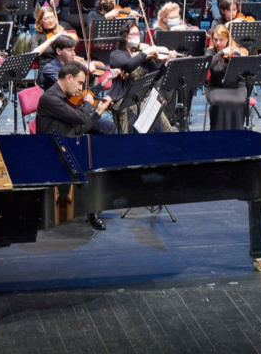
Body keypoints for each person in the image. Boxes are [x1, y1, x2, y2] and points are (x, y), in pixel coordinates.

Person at [35, 60, 114, 230]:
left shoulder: (64, 98)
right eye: (79, 83)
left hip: (66, 141)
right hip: (52, 149)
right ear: (69, 78)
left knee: (101, 148)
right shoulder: (50, 99)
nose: (80, 88)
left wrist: (98, 111)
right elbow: (80, 119)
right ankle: (92, 209)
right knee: (94, 160)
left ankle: (92, 208)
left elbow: (79, 128)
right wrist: (87, 102)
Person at [108, 23, 172, 133]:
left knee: (166, 128)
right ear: (125, 37)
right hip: (125, 98)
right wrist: (144, 53)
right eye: (133, 34)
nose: (137, 36)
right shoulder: (117, 54)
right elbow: (128, 65)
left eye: (138, 33)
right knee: (138, 123)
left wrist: (165, 65)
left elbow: (155, 76)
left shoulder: (144, 55)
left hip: (145, 96)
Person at [204, 25, 250, 130]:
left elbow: (245, 69)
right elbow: (208, 66)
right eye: (215, 39)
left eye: (221, 40)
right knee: (218, 101)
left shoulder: (236, 50)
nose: (218, 43)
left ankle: (237, 133)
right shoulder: (210, 52)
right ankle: (217, 133)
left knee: (239, 101)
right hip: (216, 87)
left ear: (227, 39)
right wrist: (221, 53)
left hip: (236, 86)